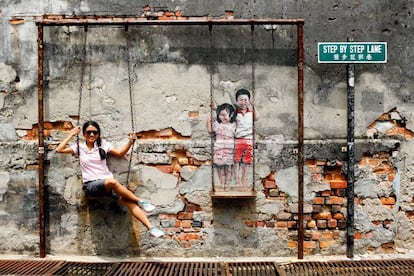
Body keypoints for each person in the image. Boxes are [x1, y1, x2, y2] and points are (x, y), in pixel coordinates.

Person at [56, 120, 164, 238]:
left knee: (130, 202)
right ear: (84, 134)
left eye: (95, 132)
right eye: (88, 132)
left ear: (98, 134)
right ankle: (140, 200)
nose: (92, 135)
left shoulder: (102, 145)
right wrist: (72, 134)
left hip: (107, 186)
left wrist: (130, 142)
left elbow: (120, 153)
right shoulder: (79, 147)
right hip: (91, 186)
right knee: (112, 181)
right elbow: (59, 149)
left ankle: (150, 228)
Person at [207, 103, 236, 190]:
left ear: (231, 115)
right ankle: (222, 183)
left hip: (229, 150)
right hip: (219, 149)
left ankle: (227, 184)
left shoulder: (233, 125)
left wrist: (217, 108)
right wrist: (209, 122)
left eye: (224, 115)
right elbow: (210, 130)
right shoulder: (217, 125)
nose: (222, 117)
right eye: (220, 115)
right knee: (220, 169)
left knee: (228, 169)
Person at [233, 89, 259, 188]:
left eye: (245, 100)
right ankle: (237, 179)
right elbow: (224, 114)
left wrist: (253, 105)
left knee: (246, 161)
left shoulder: (251, 113)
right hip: (238, 139)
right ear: (237, 101)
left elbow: (257, 118)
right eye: (241, 100)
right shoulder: (235, 113)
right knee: (236, 160)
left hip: (248, 140)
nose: (243, 102)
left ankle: (243, 179)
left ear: (249, 101)